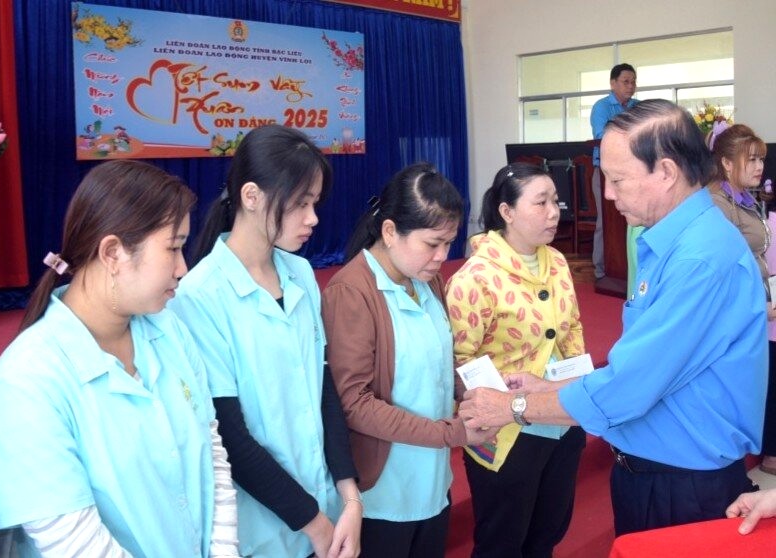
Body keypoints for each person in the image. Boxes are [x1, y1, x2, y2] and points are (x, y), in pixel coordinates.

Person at [458, 99, 767, 537]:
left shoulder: (700, 260)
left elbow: (631, 387)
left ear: (666, 172)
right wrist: (555, 387)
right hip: (657, 472)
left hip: (679, 484)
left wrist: (514, 406)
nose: (607, 194)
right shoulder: (673, 243)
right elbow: (647, 368)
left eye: (617, 179)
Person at [0, 160, 238, 556]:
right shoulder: (26, 381)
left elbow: (212, 450)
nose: (183, 267)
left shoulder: (171, 331)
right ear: (113, 253)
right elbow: (74, 544)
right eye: (173, 247)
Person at [167, 124, 362, 558]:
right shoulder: (199, 295)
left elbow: (324, 391)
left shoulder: (302, 275)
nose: (313, 218)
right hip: (265, 530)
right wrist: (312, 522)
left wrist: (349, 496)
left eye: (314, 203)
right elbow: (228, 435)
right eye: (299, 204)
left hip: (327, 512)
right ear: (251, 197)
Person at [320, 163, 495, 558]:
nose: (442, 256)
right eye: (432, 243)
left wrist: (479, 391)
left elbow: (440, 359)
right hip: (384, 492)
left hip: (432, 480)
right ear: (389, 232)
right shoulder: (351, 292)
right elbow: (355, 404)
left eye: (449, 243)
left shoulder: (426, 278)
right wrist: (452, 434)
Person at [446, 162, 586, 558]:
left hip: (561, 420)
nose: (554, 211)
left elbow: (573, 330)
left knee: (548, 531)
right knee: (502, 541)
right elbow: (461, 361)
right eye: (540, 202)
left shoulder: (557, 262)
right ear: (507, 212)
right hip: (508, 433)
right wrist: (491, 408)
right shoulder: (474, 278)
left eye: (556, 201)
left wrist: (576, 391)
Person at [707, 124, 776, 474]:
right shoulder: (716, 204)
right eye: (750, 159)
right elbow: (720, 273)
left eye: (761, 159)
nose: (759, 166)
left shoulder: (746, 199)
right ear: (727, 163)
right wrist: (757, 306)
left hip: (755, 307)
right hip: (736, 314)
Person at [590, 62, 639, 282]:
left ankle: (631, 268)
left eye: (633, 82)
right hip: (606, 173)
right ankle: (601, 270)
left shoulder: (638, 106)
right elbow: (603, 135)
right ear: (613, 83)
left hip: (634, 173)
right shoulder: (602, 107)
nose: (631, 86)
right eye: (625, 82)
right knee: (605, 222)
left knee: (635, 220)